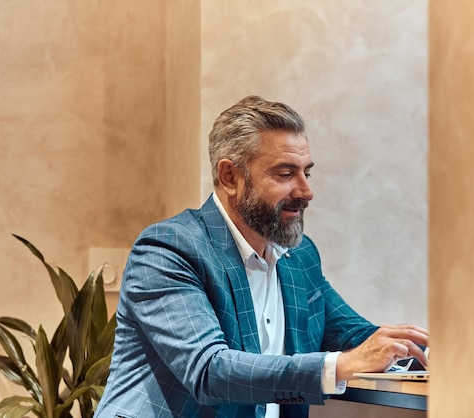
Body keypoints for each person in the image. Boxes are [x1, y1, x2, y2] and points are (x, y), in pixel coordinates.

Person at [94, 96, 429, 418]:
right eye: (285, 174)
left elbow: (360, 339)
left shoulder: (300, 256)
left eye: (306, 173)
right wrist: (340, 365)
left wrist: (438, 354)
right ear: (230, 177)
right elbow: (209, 370)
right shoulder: (168, 249)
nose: (305, 191)